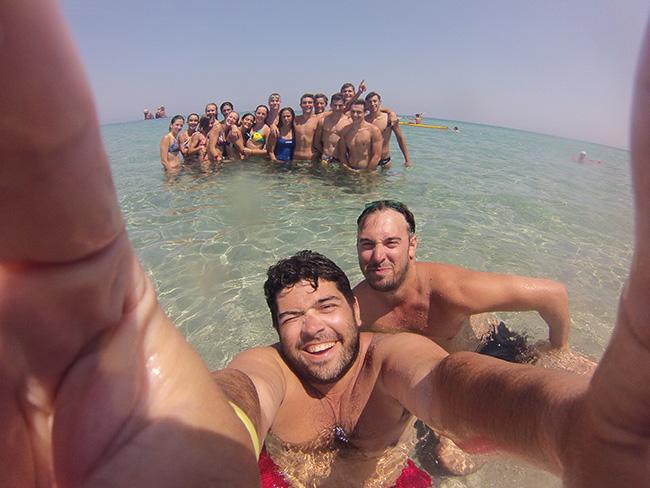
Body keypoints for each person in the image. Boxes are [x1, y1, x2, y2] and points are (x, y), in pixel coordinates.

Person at [4, 3, 650, 487]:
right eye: (291, 316)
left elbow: (453, 383)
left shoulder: (390, 351)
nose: (312, 327)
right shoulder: (275, 368)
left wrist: (566, 429)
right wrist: (188, 437)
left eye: (326, 306)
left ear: (355, 307)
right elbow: (241, 394)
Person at [354, 200, 571, 353]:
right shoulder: (356, 307)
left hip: (493, 349)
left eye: (391, 243)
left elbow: (552, 295)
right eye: (367, 244)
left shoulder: (454, 290)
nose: (378, 256)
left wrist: (557, 348)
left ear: (412, 246)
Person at [365, 92, 412, 168]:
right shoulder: (364, 120)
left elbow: (400, 138)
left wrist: (407, 160)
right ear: (366, 104)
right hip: (368, 160)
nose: (372, 104)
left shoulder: (389, 119)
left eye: (375, 101)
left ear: (380, 102)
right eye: (370, 102)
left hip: (385, 160)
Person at [336, 99, 383, 171]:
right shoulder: (345, 131)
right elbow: (342, 154)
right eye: (353, 112)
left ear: (365, 113)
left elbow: (377, 156)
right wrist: (348, 169)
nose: (355, 115)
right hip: (350, 170)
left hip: (367, 170)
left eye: (359, 112)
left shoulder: (373, 130)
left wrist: (367, 173)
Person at [313, 92, 351, 165]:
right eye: (335, 105)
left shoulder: (349, 122)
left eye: (340, 105)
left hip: (342, 159)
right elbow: (316, 142)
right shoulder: (323, 121)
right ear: (331, 105)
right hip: (325, 158)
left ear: (344, 105)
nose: (337, 108)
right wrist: (324, 153)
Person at [293, 93, 320, 161]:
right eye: (304, 103)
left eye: (310, 102)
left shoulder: (318, 119)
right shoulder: (295, 120)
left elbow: (335, 111)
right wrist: (272, 125)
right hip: (296, 158)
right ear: (300, 105)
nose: (307, 105)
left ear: (314, 104)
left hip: (311, 158)